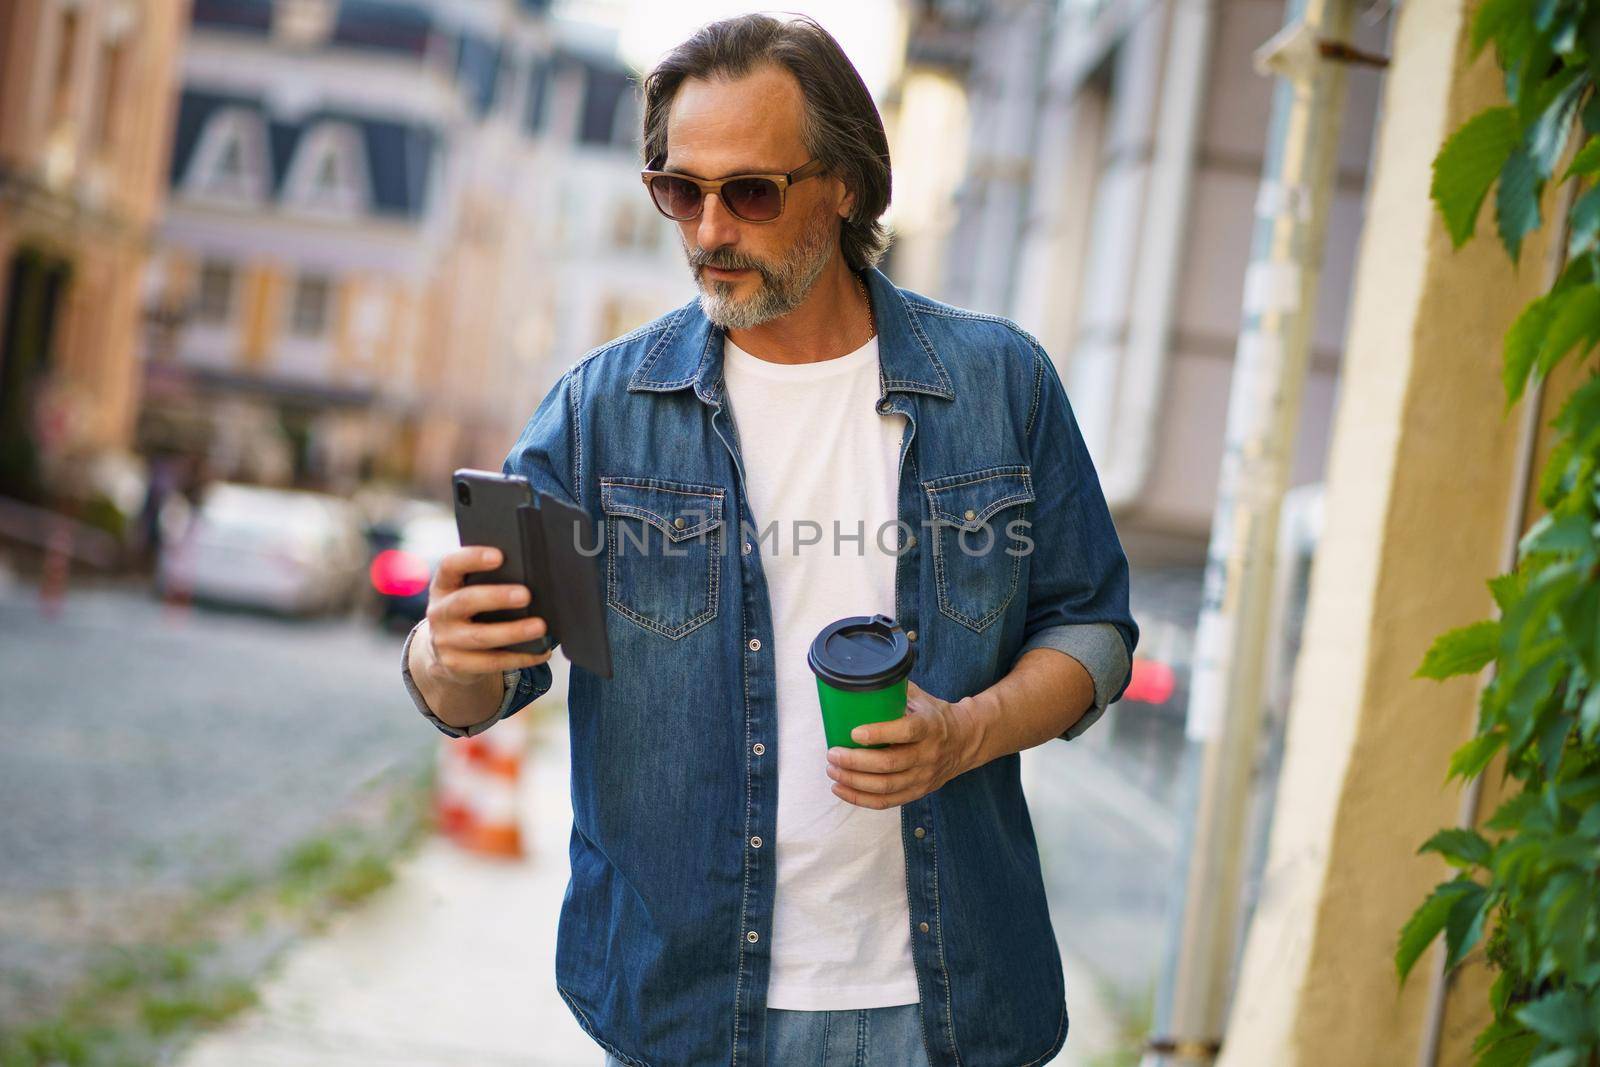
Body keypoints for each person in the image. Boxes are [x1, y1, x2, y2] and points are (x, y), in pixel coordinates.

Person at [400, 14, 1138, 1067]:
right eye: (677, 190)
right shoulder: (601, 412)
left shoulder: (999, 384)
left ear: (843, 183)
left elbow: (1096, 630)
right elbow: (484, 687)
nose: (707, 230)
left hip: (948, 1005)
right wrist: (445, 654)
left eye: (749, 191)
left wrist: (963, 733)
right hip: (683, 1013)